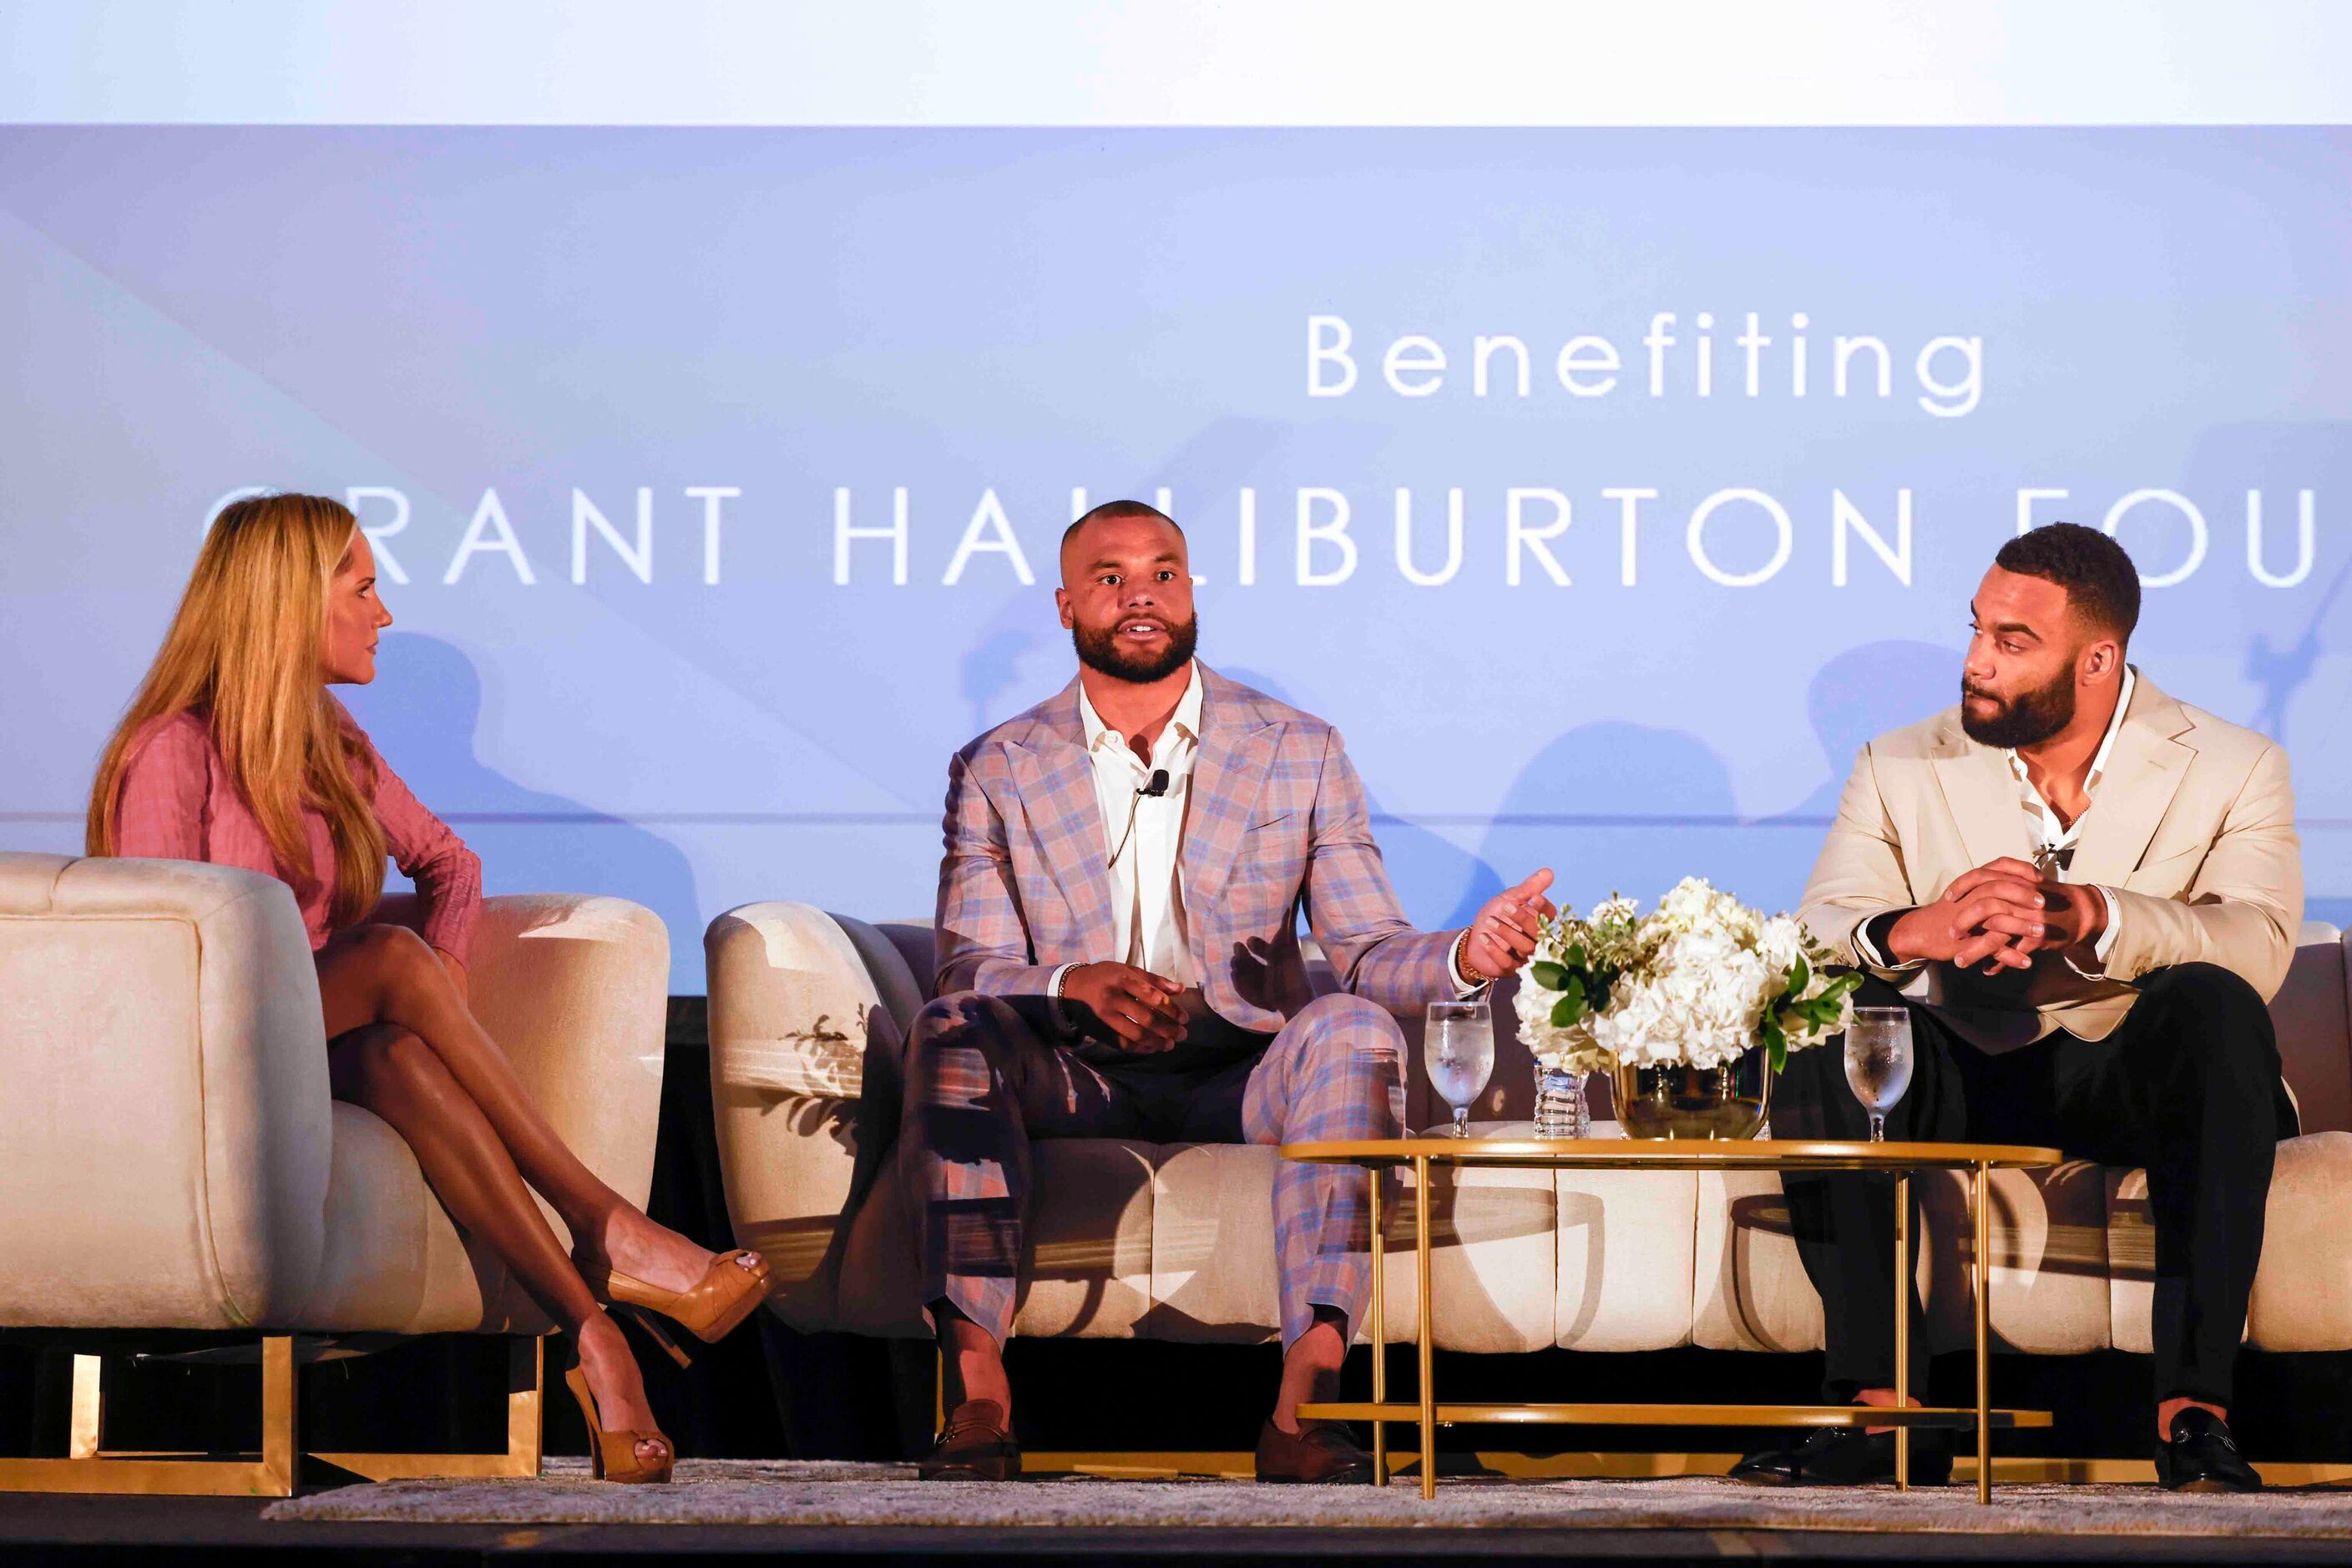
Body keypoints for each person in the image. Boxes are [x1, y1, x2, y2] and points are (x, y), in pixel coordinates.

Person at [86, 493, 771, 1485]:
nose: (385, 613)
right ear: (287, 600)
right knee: (388, 967)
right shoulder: (173, 748)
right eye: (363, 589)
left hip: (313, 1048)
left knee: (401, 1050)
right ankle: (604, 1221)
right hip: (198, 1054)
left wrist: (436, 984)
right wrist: (403, 974)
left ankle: (595, 1339)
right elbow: (153, 966)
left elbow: (450, 863)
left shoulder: (329, 740)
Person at [904, 499, 1556, 1483]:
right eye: (1112, 577)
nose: (1142, 596)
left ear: (1192, 591)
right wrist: (1074, 985)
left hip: (1242, 1068)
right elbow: (973, 969)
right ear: (1067, 604)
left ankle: (1307, 1409)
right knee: (953, 1026)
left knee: (1348, 1025)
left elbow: (1368, 947)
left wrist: (1468, 952)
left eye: (1164, 573)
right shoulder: (999, 764)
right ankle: (980, 1397)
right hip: (1073, 1072)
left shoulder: (1299, 747)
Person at [1732, 523, 2301, 1494]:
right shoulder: (1899, 760)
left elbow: (2262, 943)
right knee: (1828, 1015)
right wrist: (1920, 927)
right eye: (1976, 630)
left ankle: (2193, 1415)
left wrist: (2091, 914)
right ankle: (1882, 1410)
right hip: (1954, 1058)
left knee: (2215, 1006)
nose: (1975, 663)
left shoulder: (2234, 764)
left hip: (2121, 1065)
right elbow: (1821, 926)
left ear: (2097, 658)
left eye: (2011, 641)